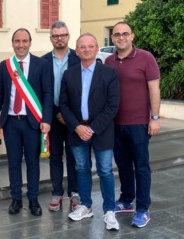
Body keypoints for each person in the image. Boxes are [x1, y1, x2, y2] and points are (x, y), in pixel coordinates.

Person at [0, 28, 53, 217]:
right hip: (11, 123)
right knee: (14, 162)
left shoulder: (41, 64)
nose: (21, 45)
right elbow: (0, 92)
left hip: (32, 123)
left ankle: (33, 199)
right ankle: (16, 199)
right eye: (17, 41)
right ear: (12, 43)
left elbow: (48, 94)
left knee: (33, 162)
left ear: (30, 43)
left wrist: (47, 120)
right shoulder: (5, 65)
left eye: (25, 41)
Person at [59, 33, 120, 230]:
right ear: (76, 51)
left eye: (90, 46)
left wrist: (92, 129)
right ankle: (85, 206)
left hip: (101, 130)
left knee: (104, 170)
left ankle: (109, 210)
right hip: (77, 130)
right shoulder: (69, 74)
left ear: (96, 49)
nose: (86, 50)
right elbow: (64, 105)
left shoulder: (109, 73)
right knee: (81, 169)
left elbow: (112, 105)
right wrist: (77, 127)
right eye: (82, 47)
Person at [105, 21, 161, 228]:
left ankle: (143, 209)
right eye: (117, 34)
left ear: (132, 36)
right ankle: (127, 200)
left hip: (138, 124)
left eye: (125, 34)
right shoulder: (109, 61)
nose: (121, 37)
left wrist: (154, 118)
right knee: (123, 165)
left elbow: (154, 89)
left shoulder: (146, 58)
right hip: (115, 124)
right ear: (112, 38)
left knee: (141, 167)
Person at [41, 21, 81, 212]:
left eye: (63, 35)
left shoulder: (79, 58)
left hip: (74, 118)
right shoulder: (43, 62)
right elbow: (41, 92)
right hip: (53, 118)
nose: (59, 39)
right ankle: (57, 193)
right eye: (55, 36)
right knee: (55, 156)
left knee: (74, 156)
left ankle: (74, 192)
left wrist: (69, 114)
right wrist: (56, 113)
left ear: (68, 36)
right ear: (50, 38)